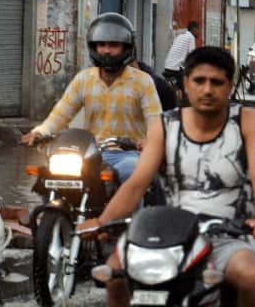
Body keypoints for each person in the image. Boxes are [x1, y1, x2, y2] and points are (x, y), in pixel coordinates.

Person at [76, 47, 255, 307]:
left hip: (229, 233)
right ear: (184, 85)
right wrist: (101, 221)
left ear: (229, 87)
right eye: (198, 81)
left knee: (251, 276)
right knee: (116, 272)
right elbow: (137, 183)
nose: (207, 89)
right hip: (171, 232)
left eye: (217, 82)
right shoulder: (164, 125)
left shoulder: (247, 121)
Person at [21, 13, 162, 186]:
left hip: (127, 154)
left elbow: (155, 121)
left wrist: (149, 142)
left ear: (126, 48)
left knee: (132, 172)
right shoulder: (84, 79)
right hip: (89, 153)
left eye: (113, 45)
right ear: (93, 47)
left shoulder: (143, 81)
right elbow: (60, 115)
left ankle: (133, 214)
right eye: (101, 45)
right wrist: (40, 132)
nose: (107, 50)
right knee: (49, 177)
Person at [162, 21, 199, 87]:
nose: (198, 32)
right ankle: (184, 96)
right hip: (175, 68)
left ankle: (177, 92)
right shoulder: (191, 37)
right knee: (188, 84)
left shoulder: (180, 36)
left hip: (167, 66)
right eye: (198, 29)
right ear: (194, 29)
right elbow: (192, 55)